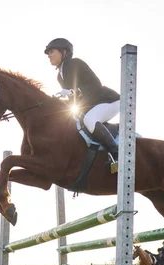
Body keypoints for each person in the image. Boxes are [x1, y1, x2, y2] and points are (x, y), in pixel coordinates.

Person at [44, 38, 120, 172]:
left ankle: (117, 155)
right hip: (93, 105)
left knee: (89, 120)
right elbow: (75, 100)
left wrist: (74, 91)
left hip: (109, 101)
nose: (49, 55)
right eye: (48, 53)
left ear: (64, 52)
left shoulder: (75, 63)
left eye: (52, 51)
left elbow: (96, 84)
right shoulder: (60, 76)